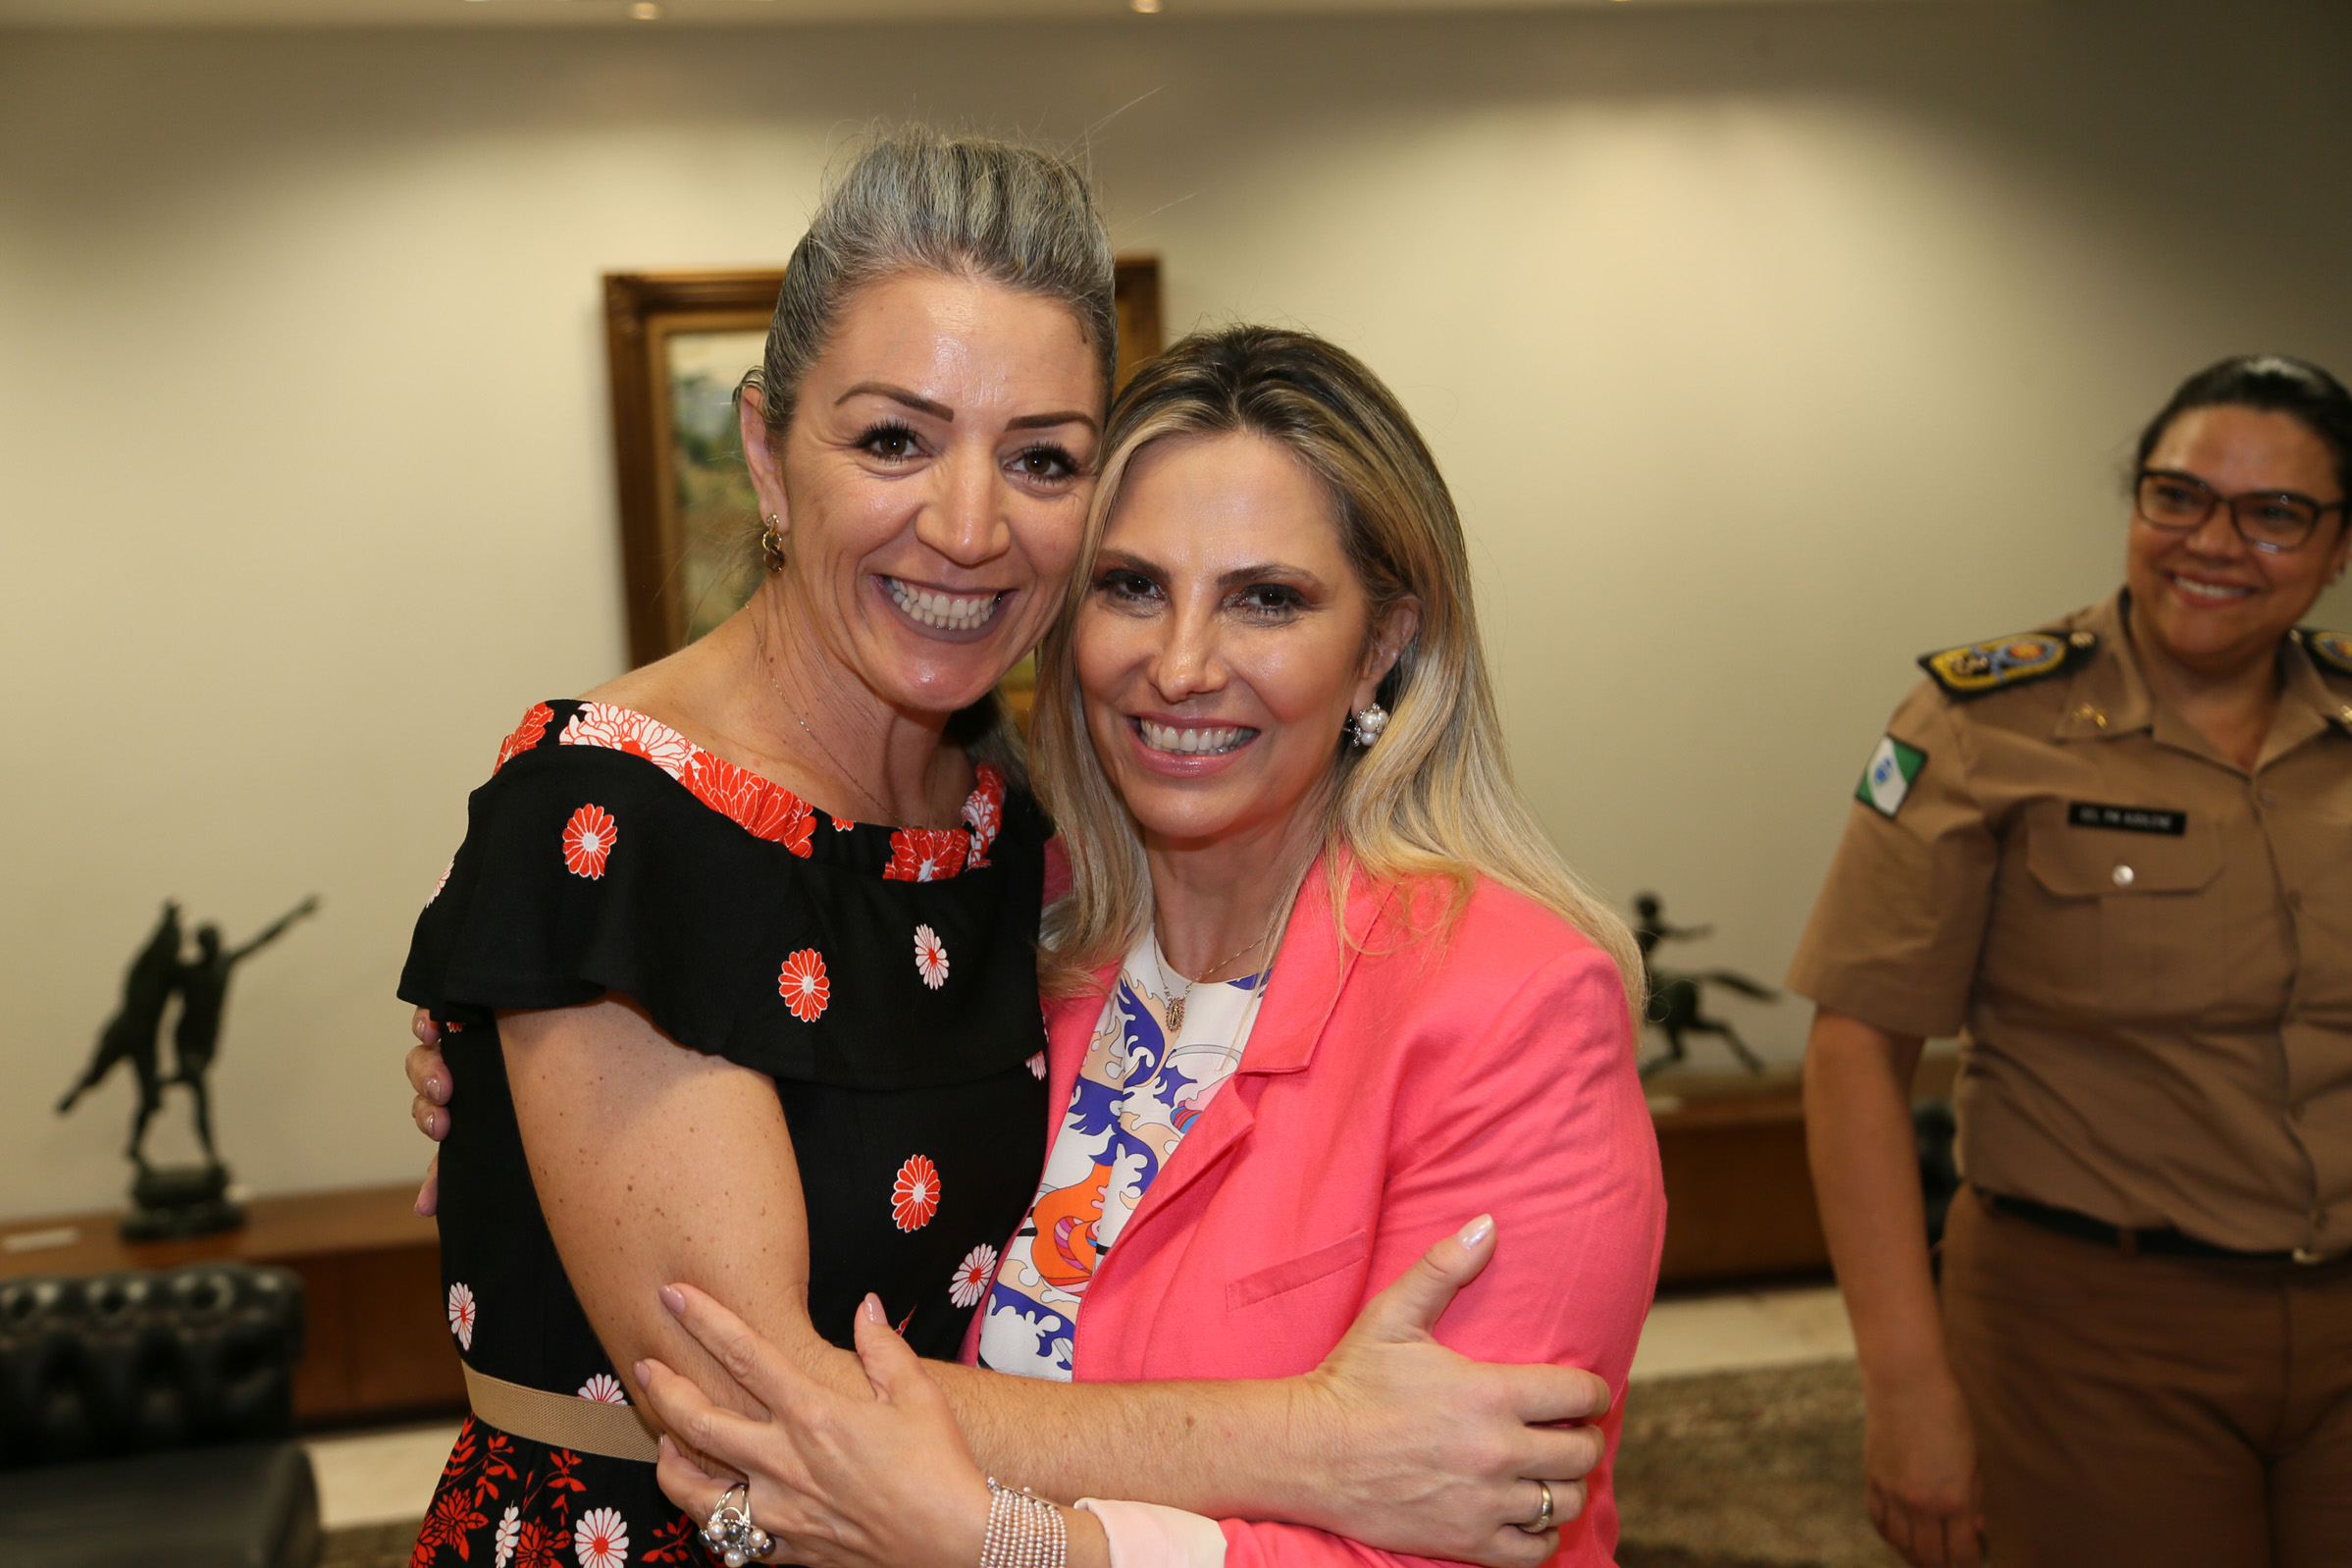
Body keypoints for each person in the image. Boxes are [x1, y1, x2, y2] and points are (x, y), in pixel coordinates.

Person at [399, 132, 1616, 1568]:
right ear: (765, 454)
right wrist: (1321, 1440)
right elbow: (754, 1400)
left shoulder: (1009, 838)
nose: (969, 527)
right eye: (893, 440)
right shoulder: (609, 818)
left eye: (1040, 459)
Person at [625, 325, 1667, 1568]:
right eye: (1131, 586)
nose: (1180, 666)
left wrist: (994, 1541)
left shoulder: (1515, 1007)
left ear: (1383, 645)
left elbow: (1473, 1538)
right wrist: (487, 1053)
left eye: (1266, 599)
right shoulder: (1019, 920)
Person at [1793, 354, 2352, 1568]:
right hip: (2093, 1334)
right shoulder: (1983, 725)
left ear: (2338, 548)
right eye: (2178, 496)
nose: (2214, 542)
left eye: (2275, 513)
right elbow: (1854, 1054)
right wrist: (1905, 1382)